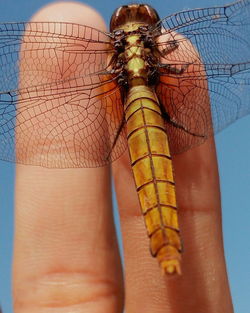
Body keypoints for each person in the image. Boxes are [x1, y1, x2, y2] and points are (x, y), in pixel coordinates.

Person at [12, 2, 234, 312]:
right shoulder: (154, 51)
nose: (132, 23)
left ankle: (167, 249)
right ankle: (167, 249)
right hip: (144, 106)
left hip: (134, 105)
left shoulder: (113, 60)